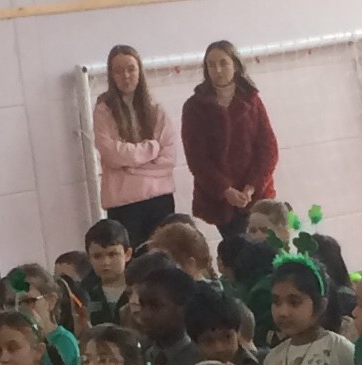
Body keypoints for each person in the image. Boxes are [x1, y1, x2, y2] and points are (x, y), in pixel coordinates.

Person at [180, 42, 277, 240]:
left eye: (223, 63)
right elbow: (197, 159)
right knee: (236, 248)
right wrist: (226, 190)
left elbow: (268, 148)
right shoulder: (194, 107)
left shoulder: (252, 100)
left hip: (256, 197)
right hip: (220, 202)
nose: (217, 70)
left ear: (235, 65)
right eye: (211, 65)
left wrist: (251, 186)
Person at [94, 45, 180, 237]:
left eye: (131, 69)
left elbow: (168, 158)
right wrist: (152, 148)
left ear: (139, 71)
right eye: (118, 71)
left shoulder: (156, 110)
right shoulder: (103, 110)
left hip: (159, 200)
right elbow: (111, 154)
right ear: (111, 75)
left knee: (162, 253)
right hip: (124, 205)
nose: (126, 76)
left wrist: (130, 167)